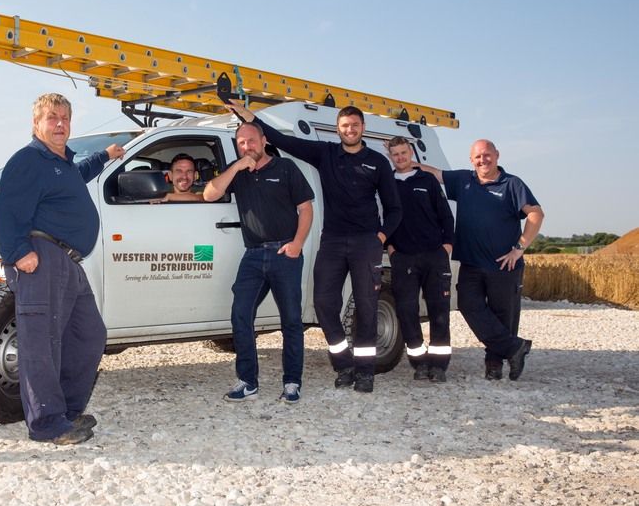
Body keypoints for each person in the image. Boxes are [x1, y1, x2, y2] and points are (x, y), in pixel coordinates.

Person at [225, 101, 401, 393]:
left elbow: (395, 208)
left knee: (367, 306)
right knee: (323, 303)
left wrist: (380, 238)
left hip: (365, 243)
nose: (350, 130)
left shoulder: (377, 162)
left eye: (355, 125)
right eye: (345, 126)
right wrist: (249, 117)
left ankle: (365, 371)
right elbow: (282, 141)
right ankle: (343, 363)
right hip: (331, 239)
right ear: (338, 129)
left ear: (362, 128)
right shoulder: (327, 154)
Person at [0, 93, 125, 444]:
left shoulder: (62, 164)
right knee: (41, 342)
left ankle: (66, 411)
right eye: (52, 117)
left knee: (89, 334)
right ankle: (47, 423)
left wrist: (107, 156)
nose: (60, 123)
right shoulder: (28, 160)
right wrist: (19, 251)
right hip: (42, 255)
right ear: (36, 124)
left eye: (65, 117)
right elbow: (4, 210)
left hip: (69, 261)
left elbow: (80, 173)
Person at [203, 121, 314, 403]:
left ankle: (292, 382)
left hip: (284, 254)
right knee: (240, 314)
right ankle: (247, 381)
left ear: (263, 140)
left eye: (251, 141)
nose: (246, 146)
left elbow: (305, 208)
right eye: (241, 142)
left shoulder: (286, 168)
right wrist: (236, 167)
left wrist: (297, 244)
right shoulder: (238, 172)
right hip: (252, 255)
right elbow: (210, 194)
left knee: (290, 320)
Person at [417, 139, 544, 381]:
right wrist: (403, 162)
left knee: (502, 316)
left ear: (497, 155)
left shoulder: (512, 184)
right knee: (467, 305)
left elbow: (536, 214)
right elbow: (435, 174)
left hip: (504, 265)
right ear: (471, 160)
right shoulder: (464, 180)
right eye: (477, 157)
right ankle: (514, 348)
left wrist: (519, 248)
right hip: (471, 263)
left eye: (487, 155)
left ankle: (494, 366)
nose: (482, 160)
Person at [384, 137, 455, 383]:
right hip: (403, 258)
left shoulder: (427, 180)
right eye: (396, 154)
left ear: (411, 152)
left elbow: (446, 216)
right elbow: (381, 218)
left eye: (404, 153)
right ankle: (419, 361)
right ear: (390, 156)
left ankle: (439, 364)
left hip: (434, 256)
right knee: (406, 311)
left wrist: (446, 247)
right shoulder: (387, 184)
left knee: (439, 311)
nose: (401, 158)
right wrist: (390, 248)